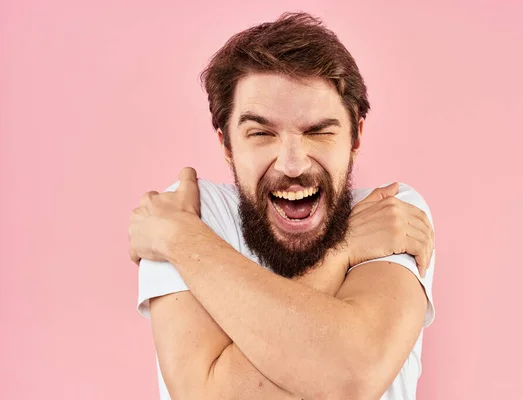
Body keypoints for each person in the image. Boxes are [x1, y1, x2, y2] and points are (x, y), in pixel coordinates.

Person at [128, 12, 436, 400]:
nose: (293, 164)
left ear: (356, 136)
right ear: (227, 145)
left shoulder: (392, 211)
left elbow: (351, 375)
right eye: (261, 133)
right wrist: (345, 252)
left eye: (319, 131)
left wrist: (180, 242)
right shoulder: (191, 212)